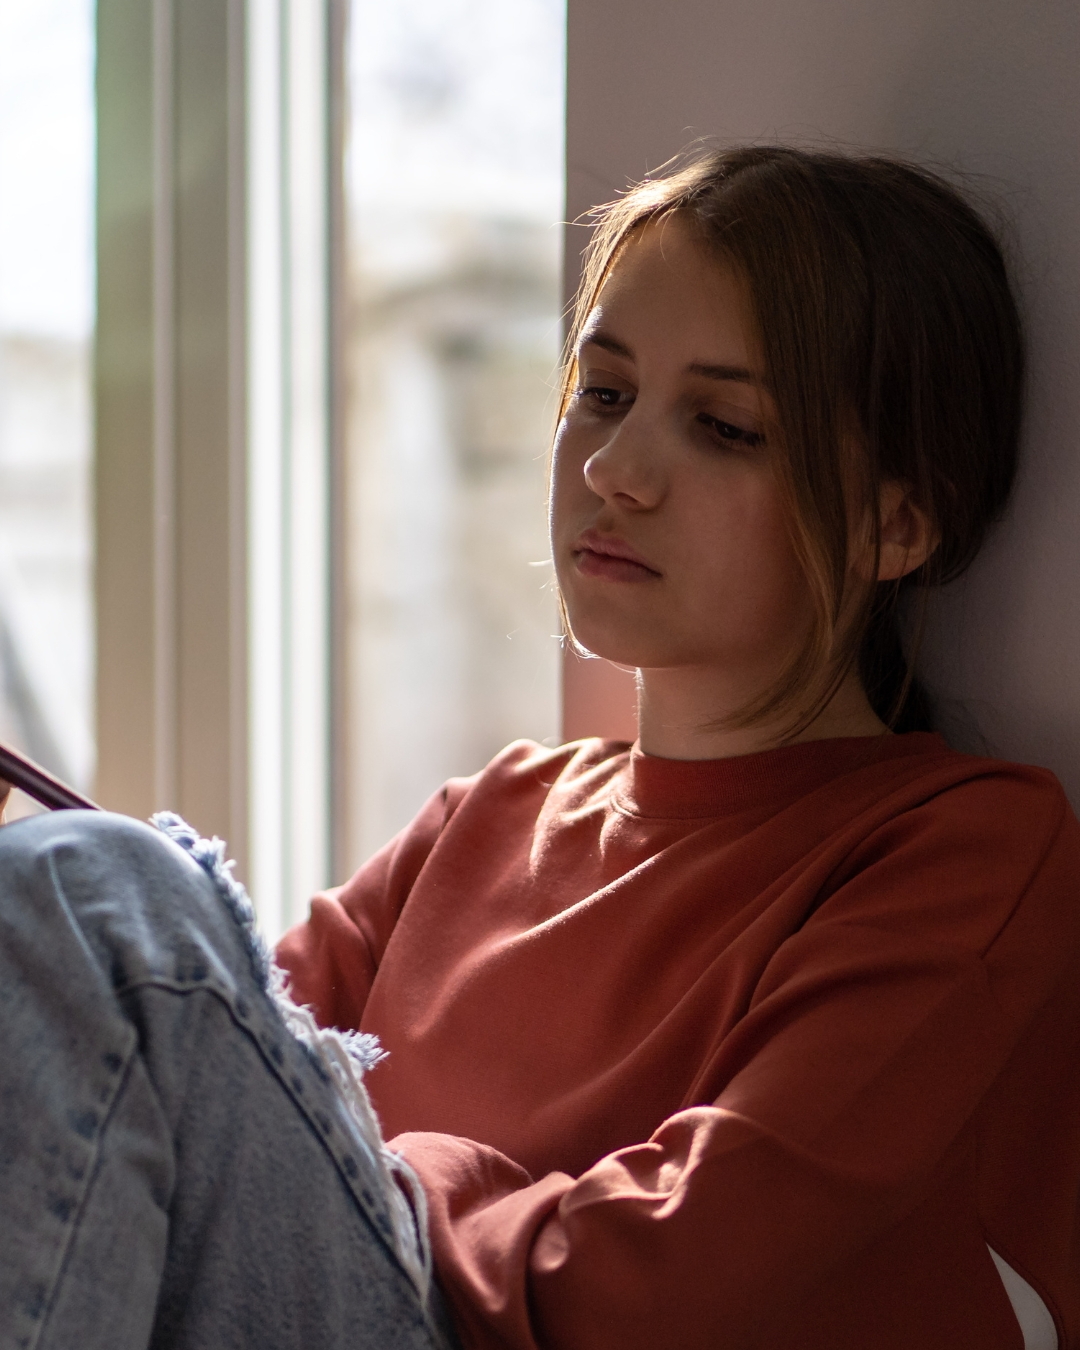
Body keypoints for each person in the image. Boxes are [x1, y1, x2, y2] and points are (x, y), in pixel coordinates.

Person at [1, 144, 1076, 1350]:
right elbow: (207, 1092)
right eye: (603, 394)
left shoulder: (963, 849)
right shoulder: (486, 817)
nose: (613, 471)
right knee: (75, 911)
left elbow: (678, 1276)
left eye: (723, 427)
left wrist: (406, 1176)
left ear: (897, 520)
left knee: (108, 889)